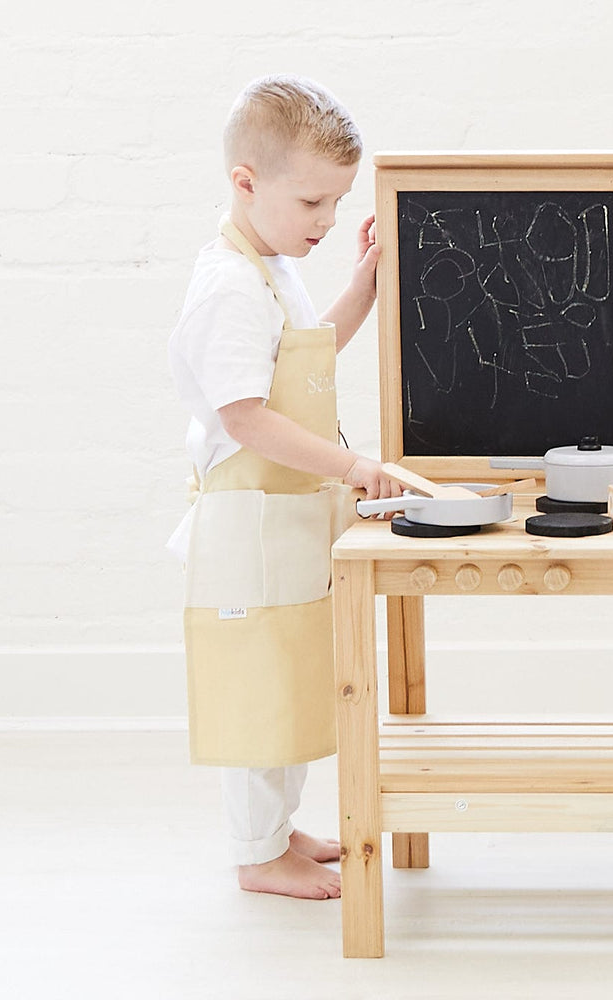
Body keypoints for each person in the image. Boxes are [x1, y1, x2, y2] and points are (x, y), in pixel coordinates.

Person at [167, 75, 401, 900]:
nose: (326, 222)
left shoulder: (269, 269)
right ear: (246, 183)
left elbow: (309, 352)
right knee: (259, 691)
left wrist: (365, 280)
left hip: (284, 521)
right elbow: (245, 417)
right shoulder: (228, 287)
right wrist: (349, 465)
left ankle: (277, 831)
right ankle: (257, 854)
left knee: (296, 674)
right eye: (312, 203)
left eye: (336, 204)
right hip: (247, 527)